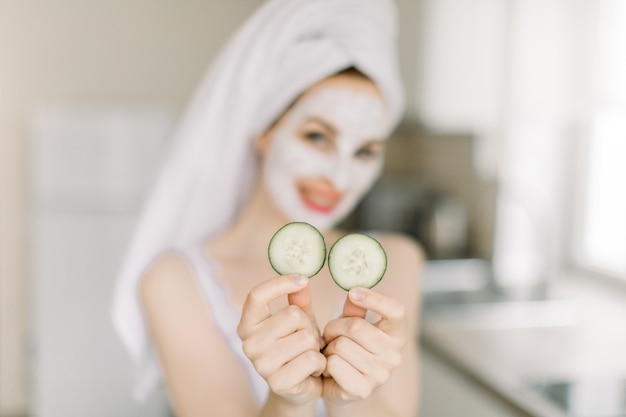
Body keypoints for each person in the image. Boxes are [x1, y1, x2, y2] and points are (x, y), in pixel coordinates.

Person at [111, 1, 423, 416]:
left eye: (365, 151)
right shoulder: (173, 280)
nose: (339, 176)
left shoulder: (399, 262)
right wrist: (289, 400)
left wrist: (350, 398)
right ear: (263, 130)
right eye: (317, 137)